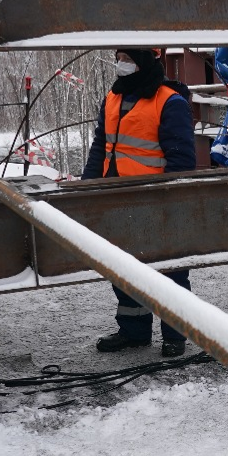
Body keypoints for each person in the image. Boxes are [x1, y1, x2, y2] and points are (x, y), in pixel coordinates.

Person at [81, 47, 198, 357]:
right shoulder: (113, 97)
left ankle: (175, 335)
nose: (122, 65)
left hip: (156, 202)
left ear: (145, 61)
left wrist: (168, 202)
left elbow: (182, 160)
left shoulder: (169, 101)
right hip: (117, 199)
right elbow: (101, 146)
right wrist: (87, 187)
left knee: (169, 270)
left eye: (128, 59)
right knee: (122, 269)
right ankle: (134, 333)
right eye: (119, 58)